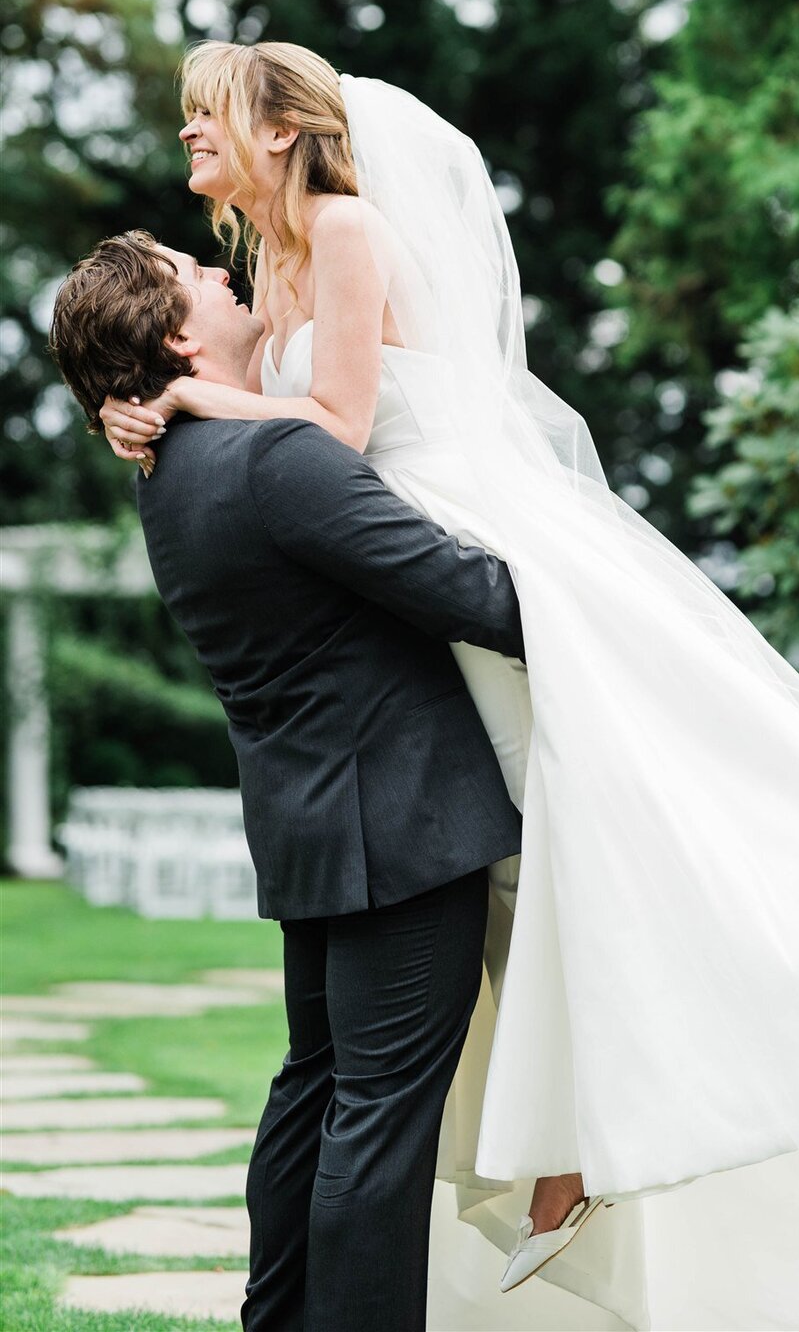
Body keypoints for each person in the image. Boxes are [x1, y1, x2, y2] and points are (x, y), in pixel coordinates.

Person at [87, 41, 799, 1331]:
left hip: (448, 547)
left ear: (283, 129)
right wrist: (140, 401)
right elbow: (253, 426)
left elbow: (347, 431)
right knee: (539, 869)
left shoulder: (348, 226)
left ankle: (595, 1133)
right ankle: (581, 1135)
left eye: (210, 118)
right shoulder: (266, 269)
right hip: (393, 594)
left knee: (609, 827)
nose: (191, 138)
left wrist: (193, 393)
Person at [49, 232, 528, 1332]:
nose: (228, 275)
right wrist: (571, 570)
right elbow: (473, 598)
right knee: (379, 1121)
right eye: (200, 275)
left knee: (315, 1092)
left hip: (314, 825)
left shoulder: (170, 472)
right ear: (178, 335)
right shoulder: (276, 460)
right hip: (404, 826)